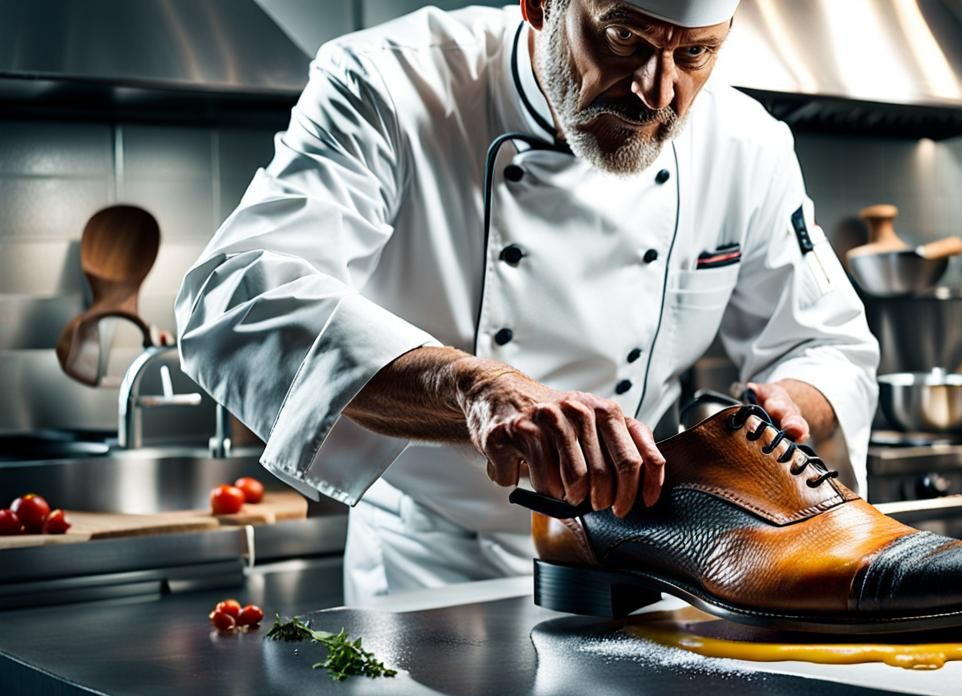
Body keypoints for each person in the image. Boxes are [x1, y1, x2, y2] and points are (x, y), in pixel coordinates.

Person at [175, 0, 879, 603]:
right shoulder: (391, 82)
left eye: (694, 54)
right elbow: (238, 293)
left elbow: (826, 344)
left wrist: (796, 402)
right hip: (431, 564)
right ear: (540, 4)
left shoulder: (745, 143)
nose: (656, 93)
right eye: (624, 38)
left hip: (639, 562)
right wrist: (482, 390)